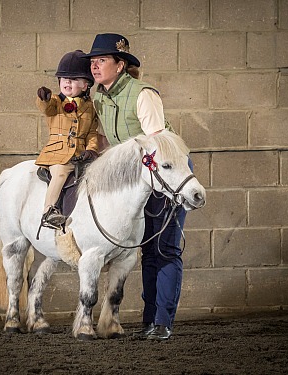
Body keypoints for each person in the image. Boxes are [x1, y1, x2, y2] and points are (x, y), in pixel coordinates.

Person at [84, 33, 193, 340]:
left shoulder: (143, 93)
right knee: (145, 248)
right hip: (137, 178)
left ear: (120, 65)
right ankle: (149, 321)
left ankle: (162, 321)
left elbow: (158, 143)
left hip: (166, 172)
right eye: (93, 62)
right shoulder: (99, 97)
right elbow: (109, 139)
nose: (95, 67)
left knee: (165, 248)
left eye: (102, 60)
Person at [35, 50, 99, 229]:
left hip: (80, 155)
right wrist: (43, 98)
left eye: (74, 79)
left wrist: (92, 150)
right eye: (64, 79)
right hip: (57, 154)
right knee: (61, 172)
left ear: (86, 85)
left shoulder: (90, 108)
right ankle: (48, 212)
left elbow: (92, 132)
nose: (68, 82)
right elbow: (46, 108)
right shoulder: (55, 101)